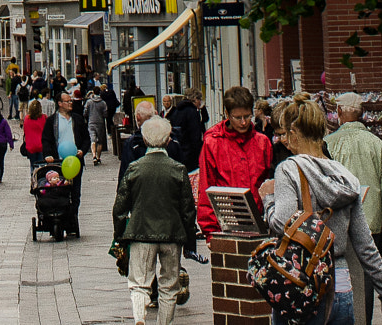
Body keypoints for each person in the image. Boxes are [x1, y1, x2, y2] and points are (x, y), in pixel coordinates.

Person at [263, 97, 382, 325]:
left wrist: (268, 199)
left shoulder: (288, 170)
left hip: (304, 284)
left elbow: (282, 223)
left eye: (286, 134)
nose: (284, 140)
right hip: (340, 285)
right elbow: (365, 245)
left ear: (294, 133)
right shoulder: (344, 176)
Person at [325, 96, 382, 324]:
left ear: (338, 111)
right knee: (369, 276)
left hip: (339, 222)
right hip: (372, 220)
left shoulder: (329, 142)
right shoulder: (377, 143)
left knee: (339, 276)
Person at [114, 117, 196, 325]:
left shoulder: (134, 168)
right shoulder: (178, 169)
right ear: (168, 140)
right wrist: (190, 242)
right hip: (171, 233)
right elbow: (188, 209)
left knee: (139, 282)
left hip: (141, 231)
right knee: (169, 285)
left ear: (144, 139)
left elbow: (120, 207)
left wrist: (120, 236)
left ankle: (140, 318)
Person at [197, 87, 275, 240]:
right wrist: (210, 232)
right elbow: (206, 188)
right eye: (237, 117)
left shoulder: (262, 142)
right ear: (227, 114)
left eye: (247, 116)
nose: (244, 122)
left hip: (259, 223)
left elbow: (269, 184)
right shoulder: (213, 143)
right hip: (225, 224)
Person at [167, 90, 205, 173]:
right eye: (200, 100)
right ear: (195, 99)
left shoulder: (177, 110)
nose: (200, 103)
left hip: (178, 152)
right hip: (190, 155)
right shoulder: (192, 112)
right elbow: (195, 136)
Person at [20, 101, 50, 173]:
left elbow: (25, 131)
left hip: (30, 146)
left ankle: (33, 179)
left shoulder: (27, 118)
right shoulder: (44, 117)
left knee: (33, 165)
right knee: (42, 165)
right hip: (41, 146)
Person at [86, 88, 110, 166]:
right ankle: (98, 157)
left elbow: (85, 112)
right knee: (100, 141)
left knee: (93, 139)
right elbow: (106, 114)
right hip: (100, 123)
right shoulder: (103, 103)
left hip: (91, 122)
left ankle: (93, 155)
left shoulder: (89, 102)